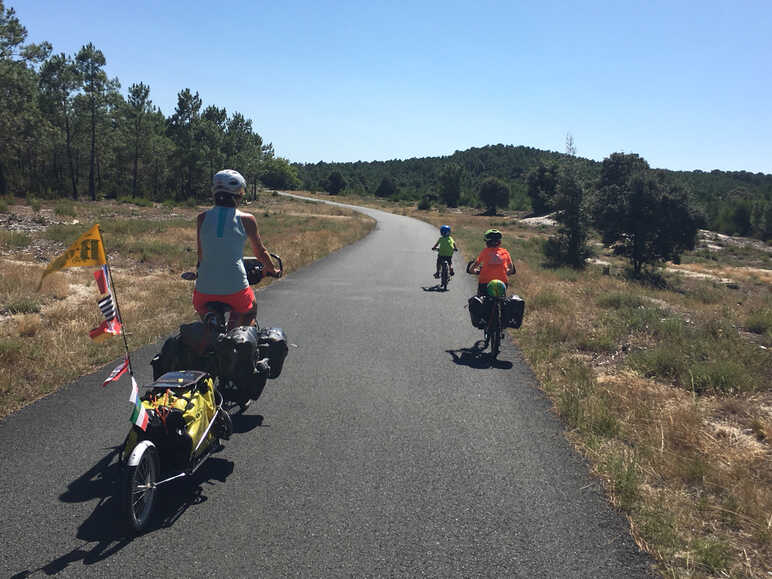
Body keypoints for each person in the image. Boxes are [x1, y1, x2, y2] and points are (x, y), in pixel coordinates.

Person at [193, 169, 278, 328]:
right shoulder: (247, 219)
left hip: (203, 290)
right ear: (239, 194)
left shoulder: (202, 218)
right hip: (235, 287)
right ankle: (236, 333)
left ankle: (212, 324)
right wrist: (272, 269)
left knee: (206, 316)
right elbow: (260, 252)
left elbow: (201, 253)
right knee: (250, 308)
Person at [470, 229, 515, 296]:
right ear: (499, 241)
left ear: (487, 242)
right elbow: (511, 270)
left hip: (485, 282)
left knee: (480, 300)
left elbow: (472, 268)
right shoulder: (505, 252)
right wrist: (505, 272)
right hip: (502, 283)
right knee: (502, 300)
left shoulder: (484, 252)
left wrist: (476, 271)